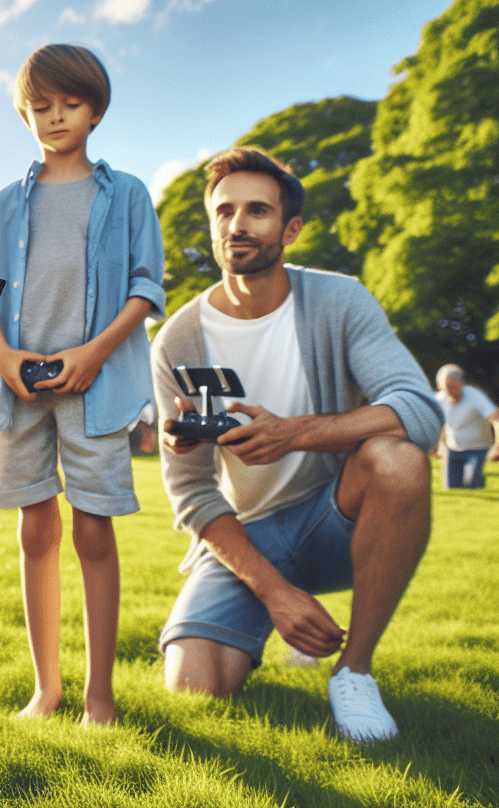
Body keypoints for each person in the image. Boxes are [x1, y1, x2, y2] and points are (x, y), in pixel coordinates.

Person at [152, 146, 442, 744]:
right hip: (247, 535)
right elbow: (191, 492)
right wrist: (275, 593)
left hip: (335, 519)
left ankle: (354, 671)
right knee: (195, 687)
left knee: (399, 459)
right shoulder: (177, 340)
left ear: (291, 229)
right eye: (224, 211)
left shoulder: (340, 301)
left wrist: (295, 433)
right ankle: (278, 612)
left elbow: (419, 411)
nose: (237, 224)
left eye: (257, 210)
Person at [0, 44, 165, 725]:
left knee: (94, 530)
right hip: (19, 389)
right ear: (25, 114)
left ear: (95, 111)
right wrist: (3, 357)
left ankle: (97, 696)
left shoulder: (127, 194)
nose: (55, 117)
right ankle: (45, 688)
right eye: (40, 106)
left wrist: (94, 354)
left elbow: (145, 289)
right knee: (35, 530)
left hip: (95, 387)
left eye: (70, 104)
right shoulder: (1, 205)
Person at [434, 364, 499, 489]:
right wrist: (436, 445)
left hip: (477, 450)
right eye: (446, 388)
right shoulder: (440, 399)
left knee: (472, 485)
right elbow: (437, 423)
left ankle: (478, 479)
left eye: (453, 387)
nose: (449, 392)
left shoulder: (475, 396)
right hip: (452, 450)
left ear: (461, 383)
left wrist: (498, 445)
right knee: (451, 488)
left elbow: (496, 419)